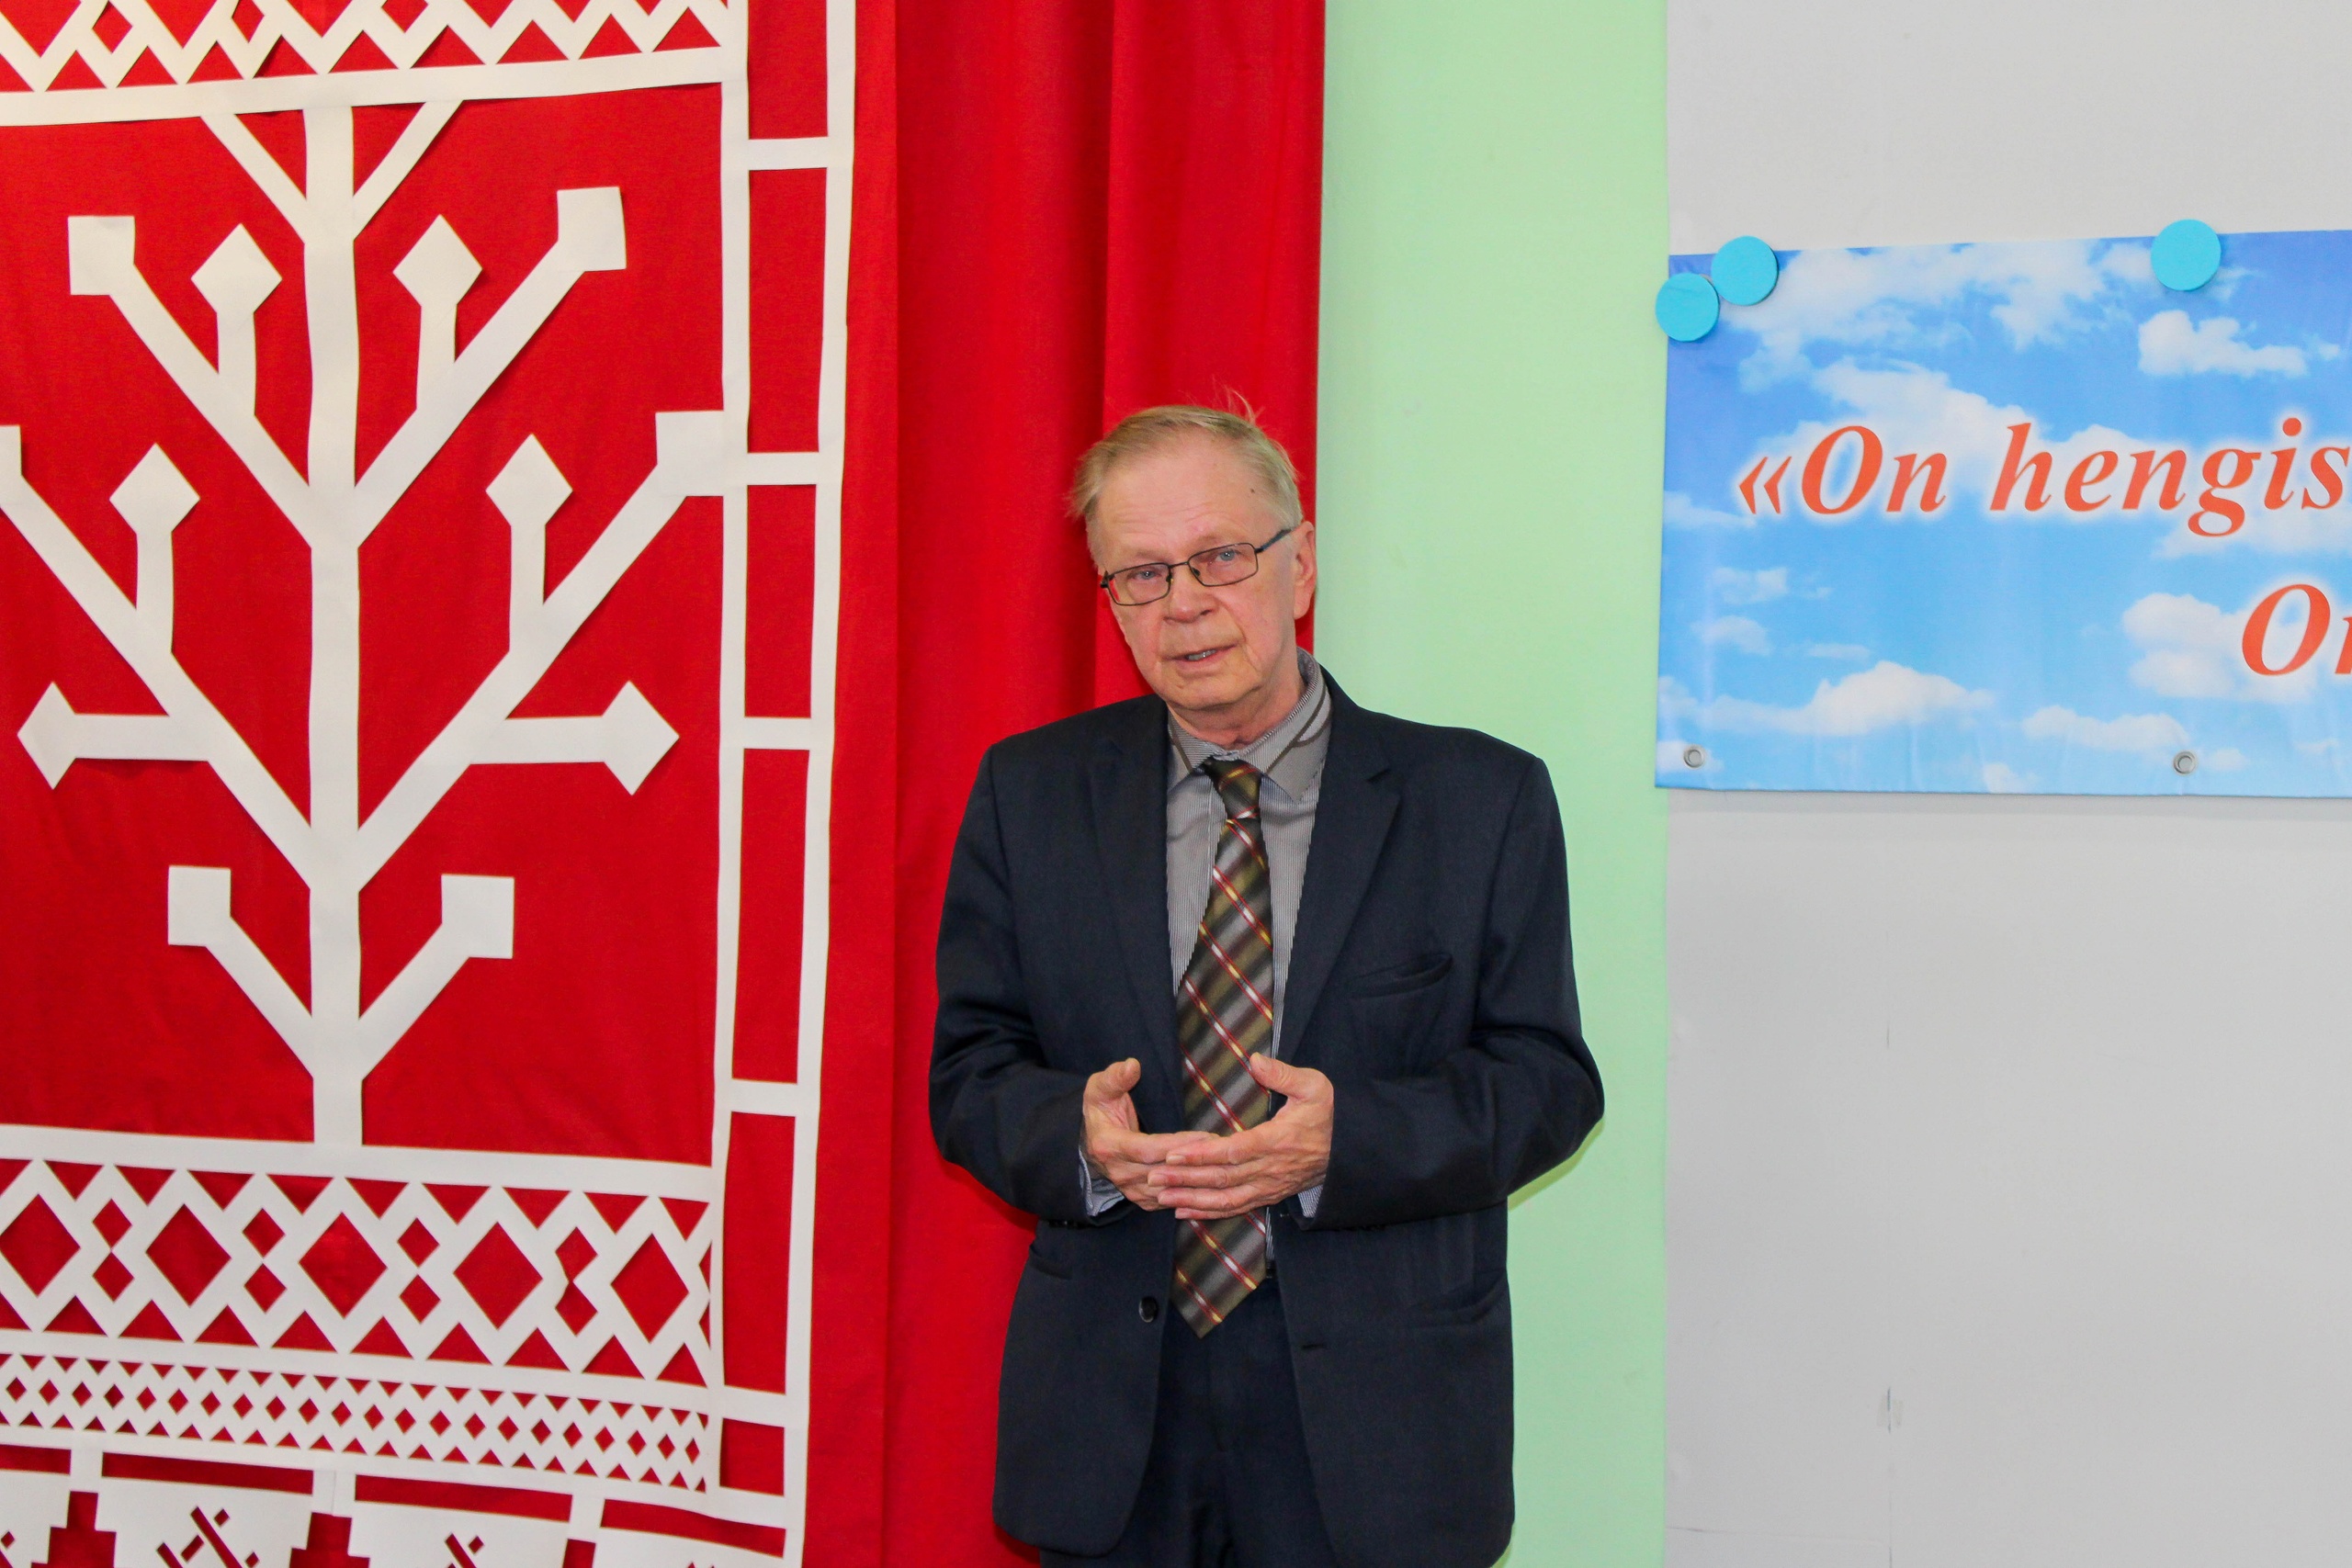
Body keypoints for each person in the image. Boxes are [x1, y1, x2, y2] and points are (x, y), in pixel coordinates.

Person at [930, 405, 1602, 1568]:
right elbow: (970, 1071)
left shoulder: (1477, 799)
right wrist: (1078, 1138)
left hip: (1378, 1426)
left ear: (1303, 564)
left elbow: (1547, 1084)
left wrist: (1345, 1143)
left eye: (1221, 556)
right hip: (1109, 1416)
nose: (1184, 603)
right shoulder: (1028, 793)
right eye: (1141, 574)